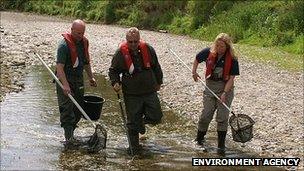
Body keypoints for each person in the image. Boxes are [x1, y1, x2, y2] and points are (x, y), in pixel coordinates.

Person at [108, 27, 163, 154]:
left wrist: (159, 82)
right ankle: (134, 149)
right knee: (132, 122)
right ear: (126, 41)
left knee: (156, 117)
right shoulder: (120, 53)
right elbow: (113, 71)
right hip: (131, 93)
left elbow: (156, 66)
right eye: (130, 42)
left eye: (135, 41)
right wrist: (115, 82)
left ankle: (141, 124)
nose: (133, 44)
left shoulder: (148, 49)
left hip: (149, 90)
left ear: (139, 40)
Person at [192, 33, 240, 154]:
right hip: (210, 88)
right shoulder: (208, 52)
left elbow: (231, 78)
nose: (219, 49)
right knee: (205, 115)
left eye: (222, 47)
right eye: (217, 46)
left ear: (227, 46)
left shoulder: (233, 59)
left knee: (222, 118)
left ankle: (221, 147)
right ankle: (199, 140)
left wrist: (224, 93)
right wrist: (194, 72)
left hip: (225, 89)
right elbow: (197, 59)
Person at [56, 19, 97, 149]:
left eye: (82, 33)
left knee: (78, 109)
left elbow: (86, 62)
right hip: (64, 79)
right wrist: (65, 85)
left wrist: (91, 77)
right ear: (72, 30)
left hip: (78, 80)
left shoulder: (84, 42)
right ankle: (69, 139)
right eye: (77, 33)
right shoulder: (63, 45)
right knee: (67, 110)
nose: (80, 36)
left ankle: (71, 133)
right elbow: (59, 67)